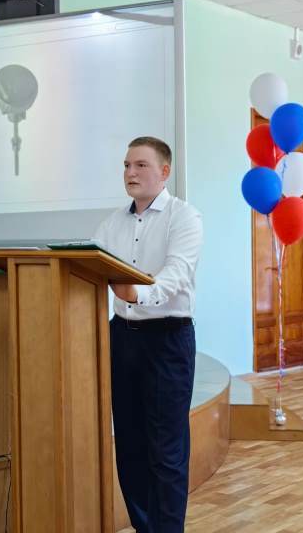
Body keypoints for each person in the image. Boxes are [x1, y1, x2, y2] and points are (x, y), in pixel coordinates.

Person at [94, 136, 203, 533]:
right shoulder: (111, 224)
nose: (130, 173)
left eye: (140, 165)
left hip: (167, 339)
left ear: (164, 171)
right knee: (130, 447)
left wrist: (138, 293)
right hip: (122, 339)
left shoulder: (183, 217)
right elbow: (86, 264)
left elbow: (177, 273)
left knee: (167, 451)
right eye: (127, 165)